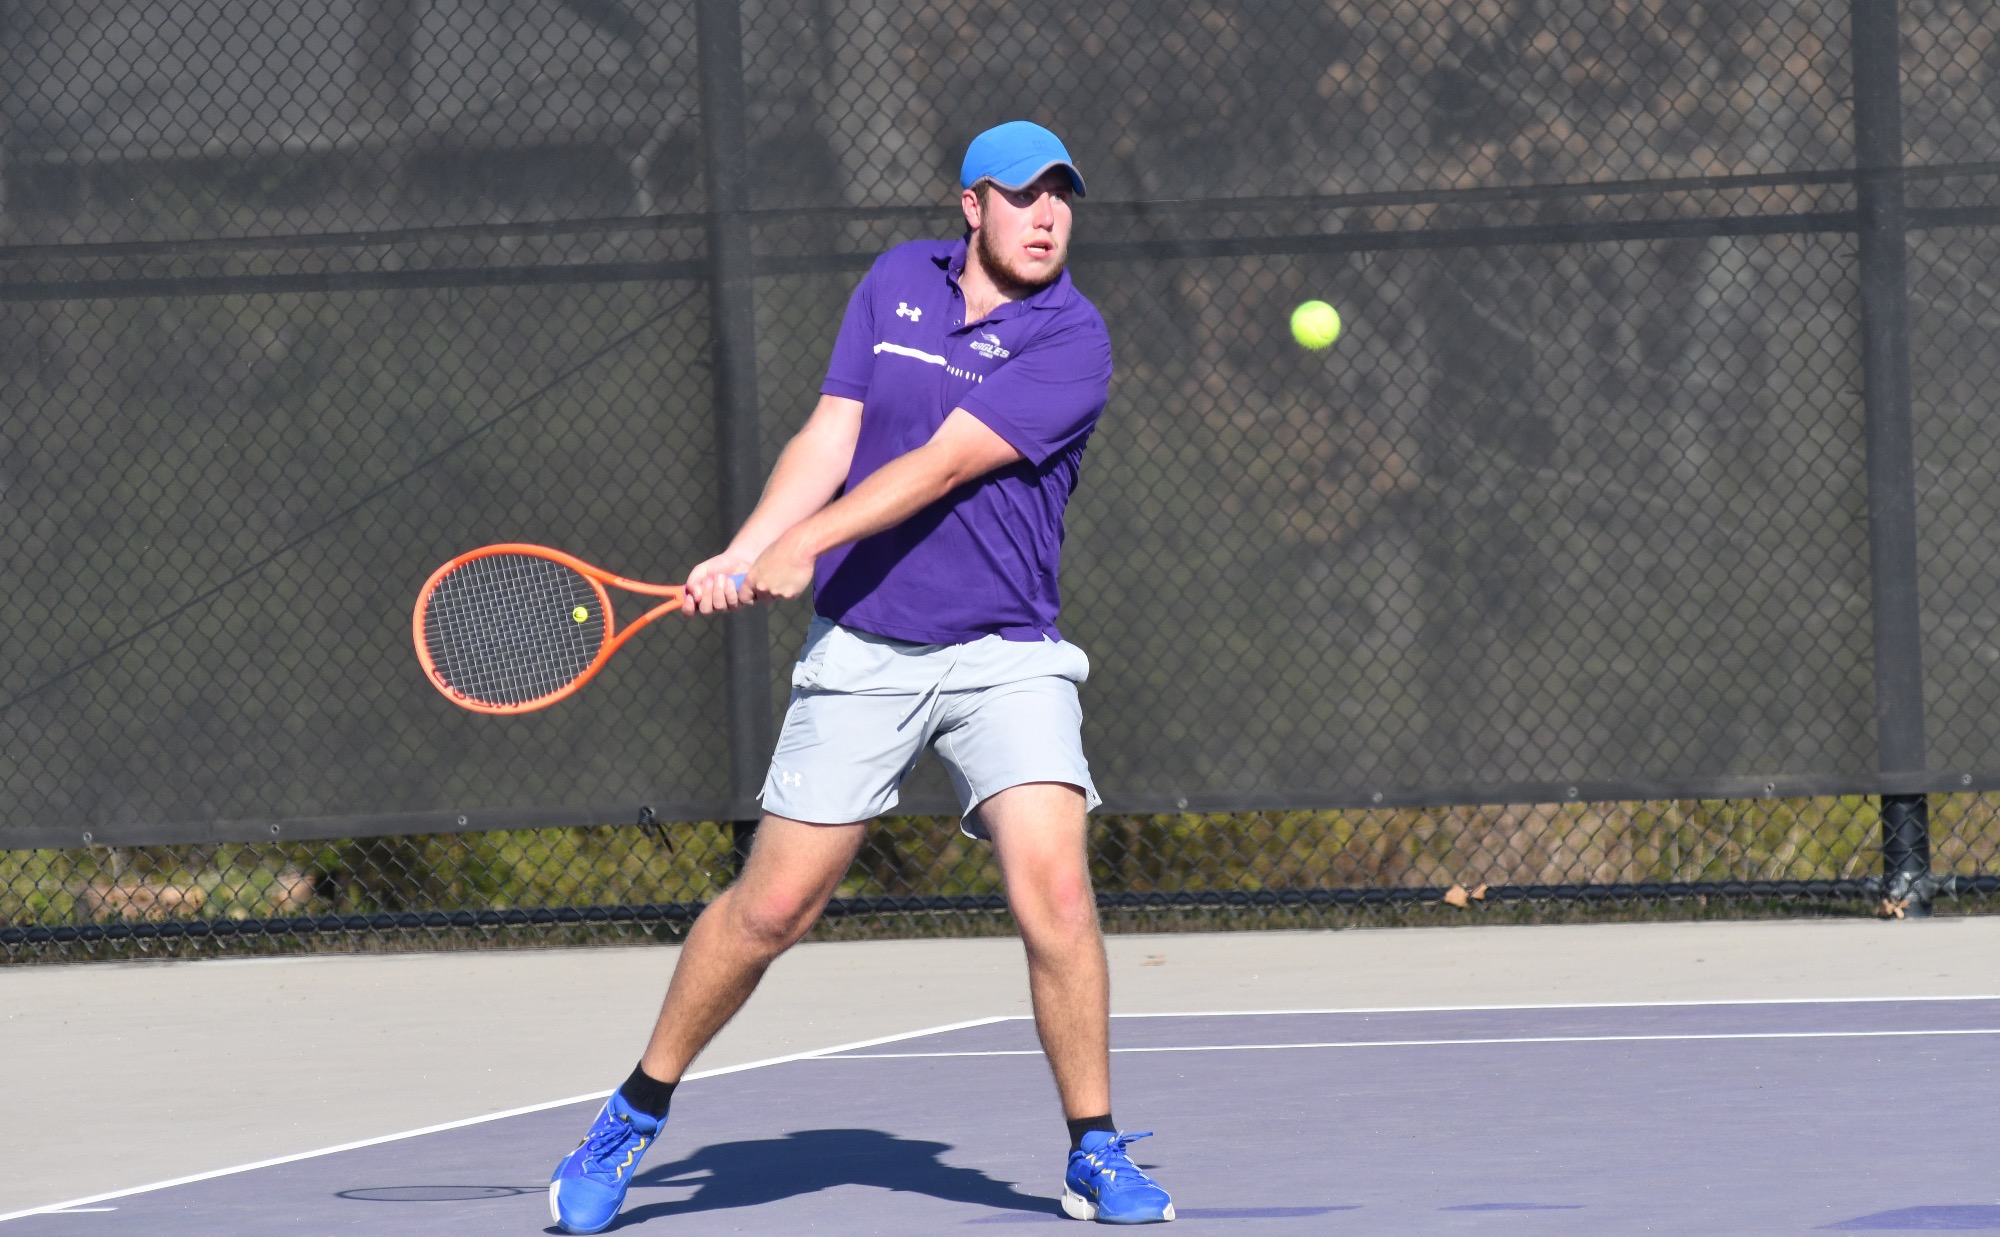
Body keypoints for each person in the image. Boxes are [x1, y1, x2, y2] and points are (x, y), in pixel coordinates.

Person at [547, 120, 1175, 1232]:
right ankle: (632, 1113)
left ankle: (1092, 1148)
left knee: (1058, 891)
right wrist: (749, 547)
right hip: (866, 646)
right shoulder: (894, 283)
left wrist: (804, 546)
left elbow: (940, 465)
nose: (1046, 216)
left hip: (1005, 656)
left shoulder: (1073, 339)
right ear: (969, 206)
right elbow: (832, 434)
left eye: (1062, 197)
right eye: (1021, 195)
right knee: (772, 907)